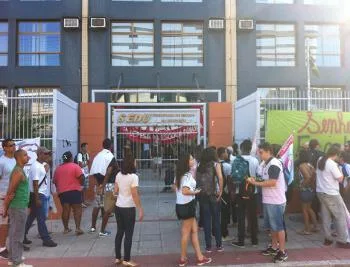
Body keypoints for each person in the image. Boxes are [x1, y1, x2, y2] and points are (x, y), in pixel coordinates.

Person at [247, 143, 288, 263]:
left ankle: (282, 251)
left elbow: (272, 182)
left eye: (261, 152)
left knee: (278, 227)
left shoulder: (274, 164)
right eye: (259, 152)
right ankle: (274, 247)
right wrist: (256, 180)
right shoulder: (265, 163)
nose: (259, 155)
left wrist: (254, 183)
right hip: (269, 199)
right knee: (272, 227)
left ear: (268, 151)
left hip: (276, 201)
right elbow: (265, 179)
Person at [175, 153, 212, 267]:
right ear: (187, 162)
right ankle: (182, 258)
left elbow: (175, 188)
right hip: (187, 206)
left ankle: (199, 257)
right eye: (191, 159)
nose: (193, 160)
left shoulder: (179, 175)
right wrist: (195, 192)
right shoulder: (187, 176)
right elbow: (185, 191)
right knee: (186, 232)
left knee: (194, 231)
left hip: (182, 205)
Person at [316, 146, 350, 248]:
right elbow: (340, 179)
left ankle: (328, 238)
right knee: (340, 216)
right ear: (336, 154)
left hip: (321, 192)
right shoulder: (332, 164)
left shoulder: (320, 159)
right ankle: (343, 240)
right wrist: (342, 174)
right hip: (331, 193)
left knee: (326, 216)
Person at [3, 149, 32, 267]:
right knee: (18, 235)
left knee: (14, 233)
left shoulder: (20, 171)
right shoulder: (18, 172)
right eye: (25, 155)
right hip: (18, 207)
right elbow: (10, 192)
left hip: (19, 206)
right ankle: (17, 261)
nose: (28, 157)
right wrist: (5, 208)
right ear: (19, 157)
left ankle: (12, 258)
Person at [24, 147, 57, 247]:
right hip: (38, 194)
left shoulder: (41, 165)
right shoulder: (36, 167)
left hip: (40, 194)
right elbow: (35, 183)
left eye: (49, 154)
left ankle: (22, 235)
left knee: (32, 216)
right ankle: (46, 239)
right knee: (41, 218)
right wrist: (37, 198)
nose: (48, 156)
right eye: (46, 154)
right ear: (40, 154)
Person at [114, 154, 144, 267]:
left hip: (118, 206)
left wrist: (119, 193)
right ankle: (127, 259)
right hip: (129, 208)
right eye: (135, 161)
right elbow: (134, 194)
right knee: (129, 234)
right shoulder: (134, 177)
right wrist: (140, 209)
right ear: (131, 163)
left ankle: (117, 257)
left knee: (119, 232)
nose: (136, 163)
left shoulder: (118, 175)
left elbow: (115, 191)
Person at [232, 140, 259, 248]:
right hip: (253, 191)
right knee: (253, 217)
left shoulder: (236, 160)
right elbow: (258, 175)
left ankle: (241, 241)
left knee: (241, 217)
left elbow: (233, 177)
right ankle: (254, 241)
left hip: (240, 192)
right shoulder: (255, 160)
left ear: (241, 148)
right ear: (250, 149)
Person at [196, 147, 224, 253]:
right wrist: (220, 191)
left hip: (203, 195)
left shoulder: (199, 164)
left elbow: (196, 179)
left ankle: (208, 246)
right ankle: (219, 245)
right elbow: (220, 178)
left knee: (206, 220)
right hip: (213, 194)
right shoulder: (216, 164)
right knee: (216, 219)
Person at [89, 138, 116, 237]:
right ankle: (102, 231)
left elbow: (95, 172)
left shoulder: (98, 156)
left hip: (98, 184)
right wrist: (103, 186)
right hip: (108, 185)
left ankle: (93, 227)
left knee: (97, 205)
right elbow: (109, 172)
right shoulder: (110, 156)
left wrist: (99, 185)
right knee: (108, 209)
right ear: (111, 145)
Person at [53, 151, 84, 235]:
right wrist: (81, 184)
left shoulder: (58, 169)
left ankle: (66, 229)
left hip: (63, 192)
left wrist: (59, 188)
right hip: (74, 191)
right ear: (71, 158)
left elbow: (55, 181)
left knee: (65, 210)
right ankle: (77, 228)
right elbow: (81, 177)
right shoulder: (75, 166)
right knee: (77, 209)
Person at [0, 139, 16, 260]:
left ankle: (11, 246)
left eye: (14, 145)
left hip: (15, 197)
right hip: (4, 196)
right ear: (4, 148)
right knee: (3, 223)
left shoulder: (16, 160)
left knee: (12, 223)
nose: (13, 147)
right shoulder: (1, 161)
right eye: (10, 145)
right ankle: (1, 249)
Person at [296, 150, 318, 235]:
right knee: (309, 208)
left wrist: (302, 185)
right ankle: (316, 226)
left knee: (304, 210)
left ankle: (307, 229)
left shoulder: (302, 166)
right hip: (311, 190)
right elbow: (313, 175)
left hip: (305, 191)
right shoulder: (310, 165)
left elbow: (307, 177)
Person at [217, 147, 232, 242]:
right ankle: (224, 234)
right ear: (223, 154)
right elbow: (229, 179)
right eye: (226, 152)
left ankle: (215, 232)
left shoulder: (214, 164)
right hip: (224, 192)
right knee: (224, 214)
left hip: (215, 192)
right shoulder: (227, 166)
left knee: (216, 213)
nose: (227, 154)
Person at [77, 143, 90, 208]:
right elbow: (80, 165)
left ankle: (83, 201)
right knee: (81, 188)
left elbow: (88, 161)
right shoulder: (80, 154)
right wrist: (86, 163)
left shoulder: (87, 154)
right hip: (81, 174)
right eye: (86, 147)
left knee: (85, 188)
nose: (87, 148)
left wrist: (85, 163)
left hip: (86, 173)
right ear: (82, 148)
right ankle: (81, 202)